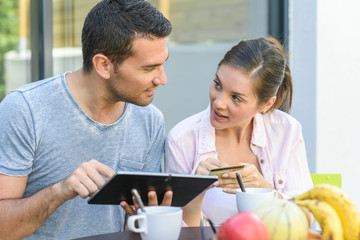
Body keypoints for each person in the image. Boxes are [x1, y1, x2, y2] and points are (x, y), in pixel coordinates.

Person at [0, 0, 173, 239]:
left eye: (163, 64)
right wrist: (60, 191)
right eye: (149, 69)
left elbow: (135, 227)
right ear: (103, 65)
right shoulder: (26, 109)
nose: (162, 79)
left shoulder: (150, 121)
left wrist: (143, 215)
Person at [164, 37, 313, 226]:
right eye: (218, 84)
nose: (218, 103)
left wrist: (263, 188)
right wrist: (195, 188)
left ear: (266, 104)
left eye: (236, 98)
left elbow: (307, 217)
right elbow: (179, 232)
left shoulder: (286, 131)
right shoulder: (182, 139)